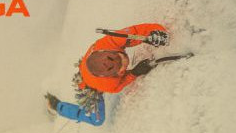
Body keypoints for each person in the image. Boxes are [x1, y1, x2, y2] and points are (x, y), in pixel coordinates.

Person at [46, 23, 189, 126]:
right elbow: (123, 82)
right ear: (111, 76)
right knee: (97, 120)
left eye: (120, 57)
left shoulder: (110, 41)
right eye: (121, 68)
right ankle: (57, 106)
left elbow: (136, 32)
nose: (125, 63)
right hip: (88, 86)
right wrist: (135, 72)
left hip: (89, 66)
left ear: (109, 51)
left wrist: (156, 33)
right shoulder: (109, 84)